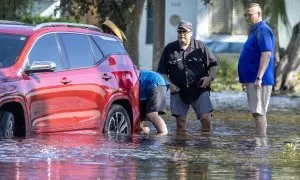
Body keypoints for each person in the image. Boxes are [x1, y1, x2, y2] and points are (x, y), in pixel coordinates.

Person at [157, 20, 218, 132]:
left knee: (206, 120)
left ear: (191, 33)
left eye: (185, 32)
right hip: (178, 90)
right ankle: (181, 147)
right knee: (180, 123)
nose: (182, 34)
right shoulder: (169, 49)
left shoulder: (201, 47)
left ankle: (205, 146)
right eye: (179, 32)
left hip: (199, 89)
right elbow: (162, 72)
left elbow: (213, 65)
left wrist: (210, 78)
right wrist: (170, 85)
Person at [238, 3, 275, 136]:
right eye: (246, 15)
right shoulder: (255, 30)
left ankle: (261, 143)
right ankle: (260, 142)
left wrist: (259, 77)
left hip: (260, 79)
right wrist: (244, 79)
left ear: (259, 14)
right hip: (252, 78)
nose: (248, 17)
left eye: (250, 15)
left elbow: (266, 54)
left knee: (259, 112)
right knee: (257, 112)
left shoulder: (263, 30)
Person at [139, 69, 169, 135]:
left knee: (151, 114)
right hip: (148, 86)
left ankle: (163, 133)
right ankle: (145, 131)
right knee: (140, 117)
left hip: (155, 82)